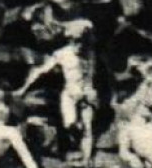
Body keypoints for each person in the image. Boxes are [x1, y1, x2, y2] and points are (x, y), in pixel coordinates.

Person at [16, 17, 97, 159]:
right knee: (71, 126)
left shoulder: (90, 54)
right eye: (76, 41)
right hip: (69, 94)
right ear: (71, 40)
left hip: (86, 94)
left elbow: (92, 75)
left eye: (82, 42)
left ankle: (86, 162)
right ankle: (71, 146)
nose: (79, 46)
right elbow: (39, 70)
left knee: (87, 128)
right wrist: (23, 88)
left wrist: (91, 93)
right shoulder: (63, 54)